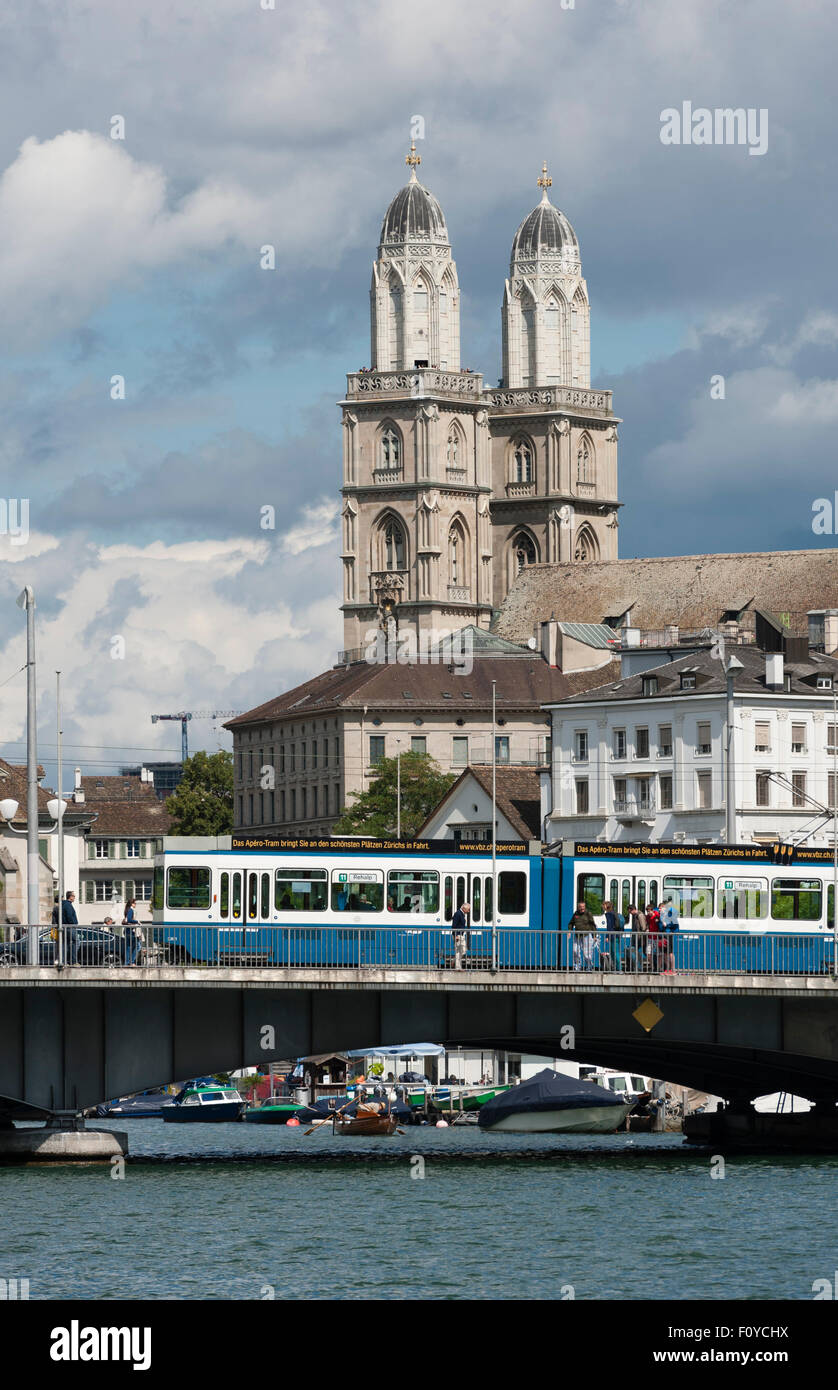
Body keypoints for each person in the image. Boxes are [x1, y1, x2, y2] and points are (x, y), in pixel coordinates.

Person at [568, 900, 597, 970]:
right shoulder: (576, 914)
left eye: (583, 907)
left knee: (586, 954)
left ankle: (589, 966)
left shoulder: (588, 913)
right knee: (575, 951)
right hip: (577, 935)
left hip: (586, 935)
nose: (582, 908)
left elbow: (592, 925)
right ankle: (577, 966)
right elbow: (571, 923)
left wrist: (594, 935)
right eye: (581, 907)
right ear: (578, 907)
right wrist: (569, 931)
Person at [626, 903, 647, 971]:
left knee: (641, 952)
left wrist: (641, 937)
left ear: (633, 910)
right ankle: (636, 967)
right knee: (635, 951)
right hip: (637, 937)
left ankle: (639, 967)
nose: (630, 913)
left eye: (630, 912)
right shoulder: (636, 915)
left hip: (640, 937)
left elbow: (643, 927)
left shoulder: (640, 915)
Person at [661, 896, 679, 973]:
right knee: (665, 952)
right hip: (665, 933)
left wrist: (666, 924)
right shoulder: (666, 911)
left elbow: (674, 923)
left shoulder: (672, 911)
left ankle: (672, 969)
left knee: (670, 952)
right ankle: (667, 968)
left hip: (668, 933)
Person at [451, 901, 470, 970]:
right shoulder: (458, 914)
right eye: (468, 909)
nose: (468, 911)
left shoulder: (461, 914)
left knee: (463, 950)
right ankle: (458, 967)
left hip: (461, 935)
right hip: (458, 935)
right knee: (459, 951)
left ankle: (453, 961)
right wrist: (455, 935)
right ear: (464, 908)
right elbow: (454, 926)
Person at [61, 890, 78, 965]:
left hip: (66, 927)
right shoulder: (68, 905)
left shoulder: (64, 904)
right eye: (74, 896)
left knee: (66, 944)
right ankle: (73, 961)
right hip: (70, 927)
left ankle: (65, 961)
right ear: (70, 897)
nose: (74, 898)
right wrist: (73, 924)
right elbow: (69, 916)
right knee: (75, 942)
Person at [603, 899, 620, 970]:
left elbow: (610, 926)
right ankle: (616, 968)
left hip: (613, 935)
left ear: (607, 906)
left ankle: (618, 969)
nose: (602, 906)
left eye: (604, 905)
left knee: (615, 953)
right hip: (613, 935)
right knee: (613, 952)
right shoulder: (613, 913)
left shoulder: (609, 914)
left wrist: (608, 935)